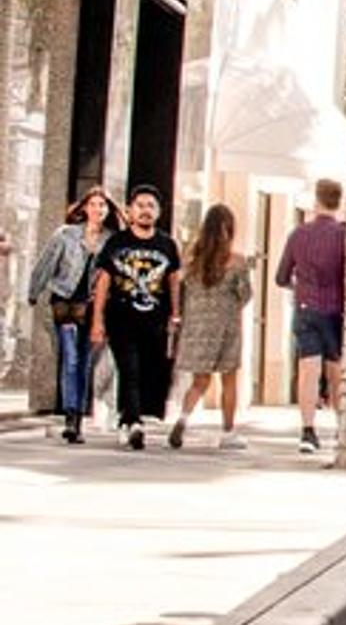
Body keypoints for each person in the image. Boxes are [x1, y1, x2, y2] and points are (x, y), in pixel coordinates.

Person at [28, 187, 122, 443]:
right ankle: (71, 416)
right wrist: (34, 291)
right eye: (93, 204)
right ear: (84, 208)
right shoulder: (65, 235)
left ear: (108, 210)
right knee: (69, 358)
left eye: (103, 205)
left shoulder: (112, 240)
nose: (98, 209)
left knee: (84, 362)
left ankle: (78, 417)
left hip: (93, 308)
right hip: (65, 302)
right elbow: (46, 263)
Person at [90, 185, 181, 450]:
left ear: (159, 212)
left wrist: (175, 313)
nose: (145, 211)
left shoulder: (167, 244)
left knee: (146, 371)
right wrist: (97, 321)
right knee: (128, 368)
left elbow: (173, 281)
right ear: (130, 211)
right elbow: (104, 282)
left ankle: (127, 418)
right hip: (121, 318)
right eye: (140, 205)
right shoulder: (118, 243)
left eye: (151, 206)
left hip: (154, 320)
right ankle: (133, 422)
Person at [169, 204, 253, 450]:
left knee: (199, 382)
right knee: (229, 380)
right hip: (226, 327)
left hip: (197, 328)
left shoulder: (193, 259)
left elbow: (180, 287)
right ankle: (227, 432)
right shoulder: (236, 261)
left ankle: (183, 419)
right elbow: (245, 295)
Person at [276, 178, 346, 454]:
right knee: (336, 371)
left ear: (316, 202)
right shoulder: (344, 235)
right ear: (339, 203)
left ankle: (308, 430)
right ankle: (343, 430)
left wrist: (300, 286)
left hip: (305, 308)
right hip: (335, 310)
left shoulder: (298, 235)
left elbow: (281, 276)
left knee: (308, 369)